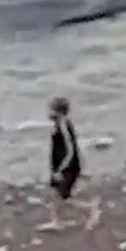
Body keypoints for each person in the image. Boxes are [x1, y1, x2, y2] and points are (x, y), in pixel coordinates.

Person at [36, 97, 100, 232]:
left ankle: (90, 208)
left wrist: (61, 169)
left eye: (52, 110)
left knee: (64, 198)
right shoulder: (57, 124)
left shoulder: (64, 125)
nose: (49, 113)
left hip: (67, 167)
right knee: (55, 194)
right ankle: (56, 221)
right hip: (59, 166)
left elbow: (70, 149)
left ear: (58, 111)